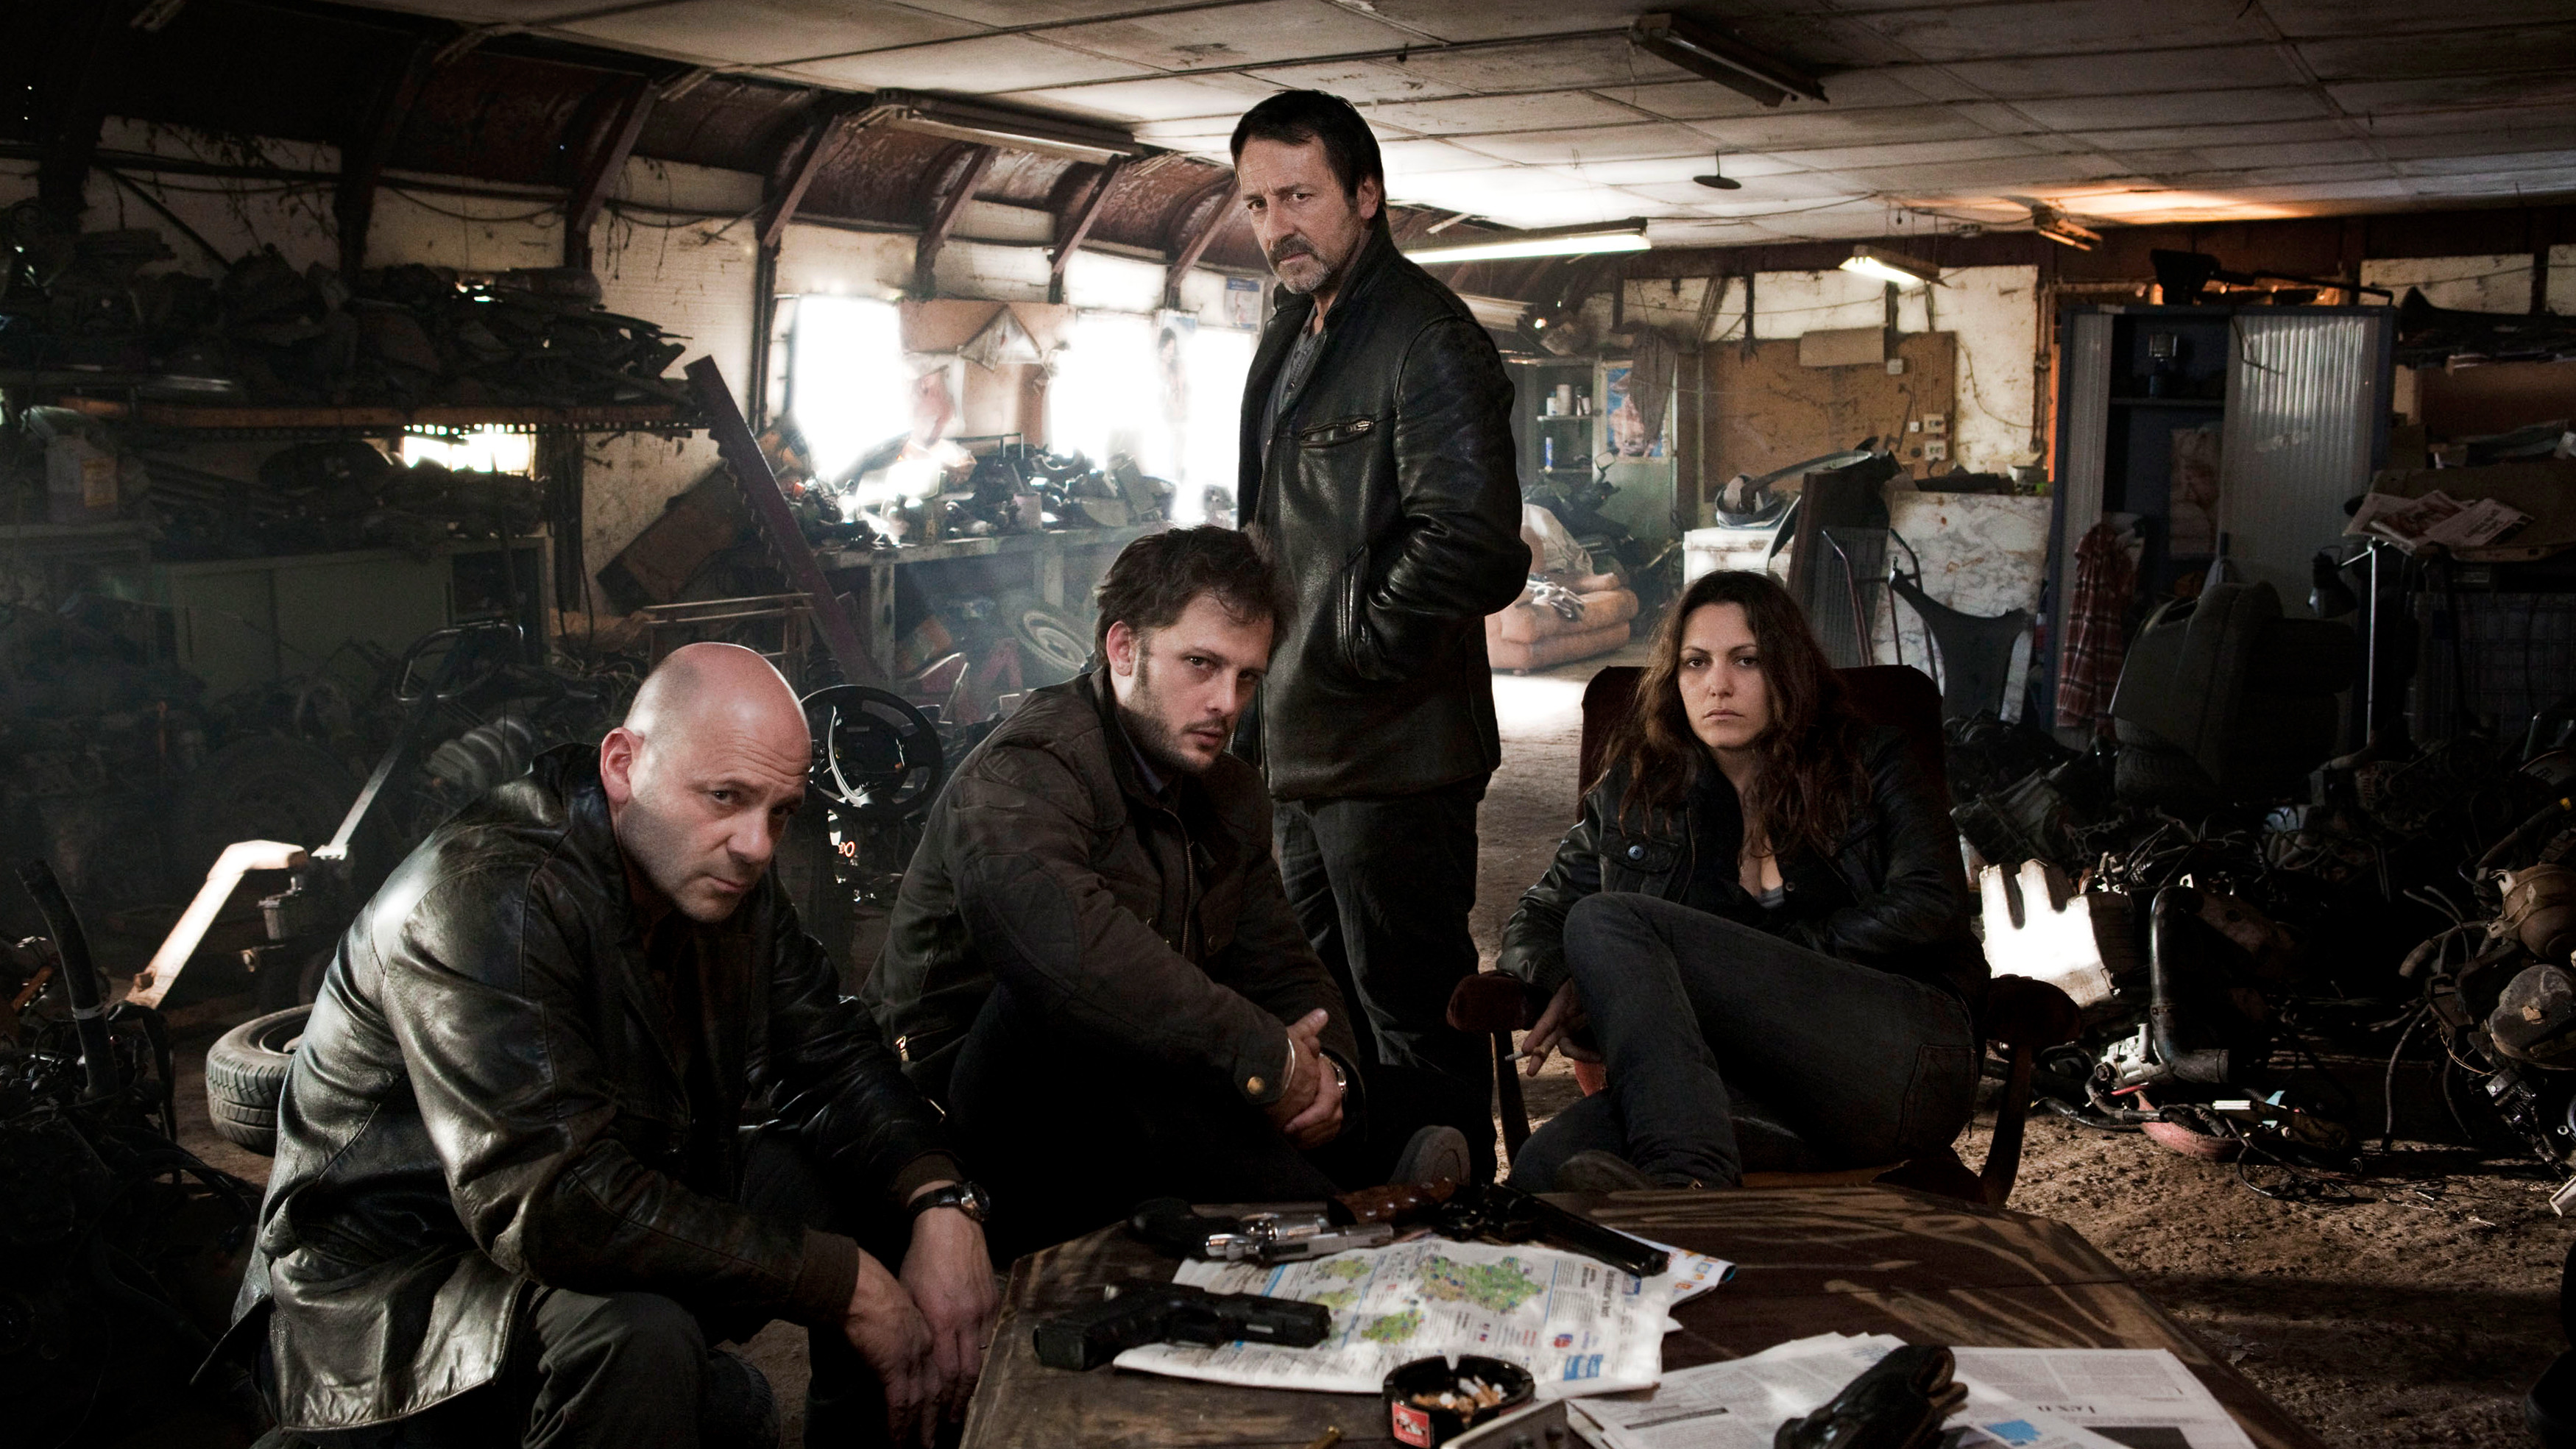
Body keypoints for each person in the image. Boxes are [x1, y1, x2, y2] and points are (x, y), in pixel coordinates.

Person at [218, 644, 996, 1449]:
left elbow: (832, 1053)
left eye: (780, 810)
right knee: (636, 1334)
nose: (757, 844)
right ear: (623, 765)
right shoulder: (486, 896)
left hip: (595, 1196)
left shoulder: (719, 874)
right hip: (397, 1287)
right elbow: (548, 1205)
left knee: (874, 1189)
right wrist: (843, 1283)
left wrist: (939, 1199)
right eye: (725, 796)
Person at [867, 526, 1474, 1258]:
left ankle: (1338, 1200)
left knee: (1433, 1102)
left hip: (1143, 1086)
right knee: (1098, 1016)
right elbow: (1072, 957)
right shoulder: (1027, 768)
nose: (1225, 702)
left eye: (1247, 677)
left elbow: (1282, 964)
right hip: (972, 1114)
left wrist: (1328, 1080)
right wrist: (1266, 1057)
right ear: (1124, 648)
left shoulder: (1228, 790)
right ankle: (1336, 1223)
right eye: (1201, 664)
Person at [1227, 88, 1529, 1104]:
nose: (1277, 225)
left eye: (1299, 196)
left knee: (1414, 1018)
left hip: (1393, 753)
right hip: (1300, 744)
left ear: (1365, 194)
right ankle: (1371, 1192)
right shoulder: (1293, 327)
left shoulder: (1425, 337)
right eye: (1258, 203)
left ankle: (1452, 1190)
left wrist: (1349, 650)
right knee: (1322, 1010)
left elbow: (1471, 545)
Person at [1498, 570, 1988, 1191]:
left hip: (1896, 1063)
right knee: (1546, 1166)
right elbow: (1535, 919)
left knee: (1607, 919)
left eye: (1747, 660)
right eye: (1696, 662)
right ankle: (1686, 1171)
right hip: (1739, 1085)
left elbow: (1932, 904)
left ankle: (1684, 1178)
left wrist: (1750, 963)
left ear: (1788, 668)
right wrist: (1570, 981)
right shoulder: (1637, 793)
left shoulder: (1872, 761)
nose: (1718, 684)